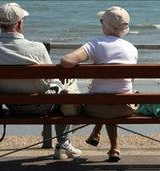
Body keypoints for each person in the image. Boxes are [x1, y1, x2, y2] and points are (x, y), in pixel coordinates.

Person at [0, 2, 81, 159]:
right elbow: (51, 79)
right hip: (42, 107)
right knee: (67, 85)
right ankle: (63, 143)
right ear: (20, 23)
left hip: (11, 107)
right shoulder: (37, 48)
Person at [61, 6, 137, 162]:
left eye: (102, 21)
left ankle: (98, 132)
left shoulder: (96, 43)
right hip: (124, 108)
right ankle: (113, 147)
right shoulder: (132, 49)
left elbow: (66, 61)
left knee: (103, 98)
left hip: (95, 108)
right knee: (114, 96)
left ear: (105, 25)